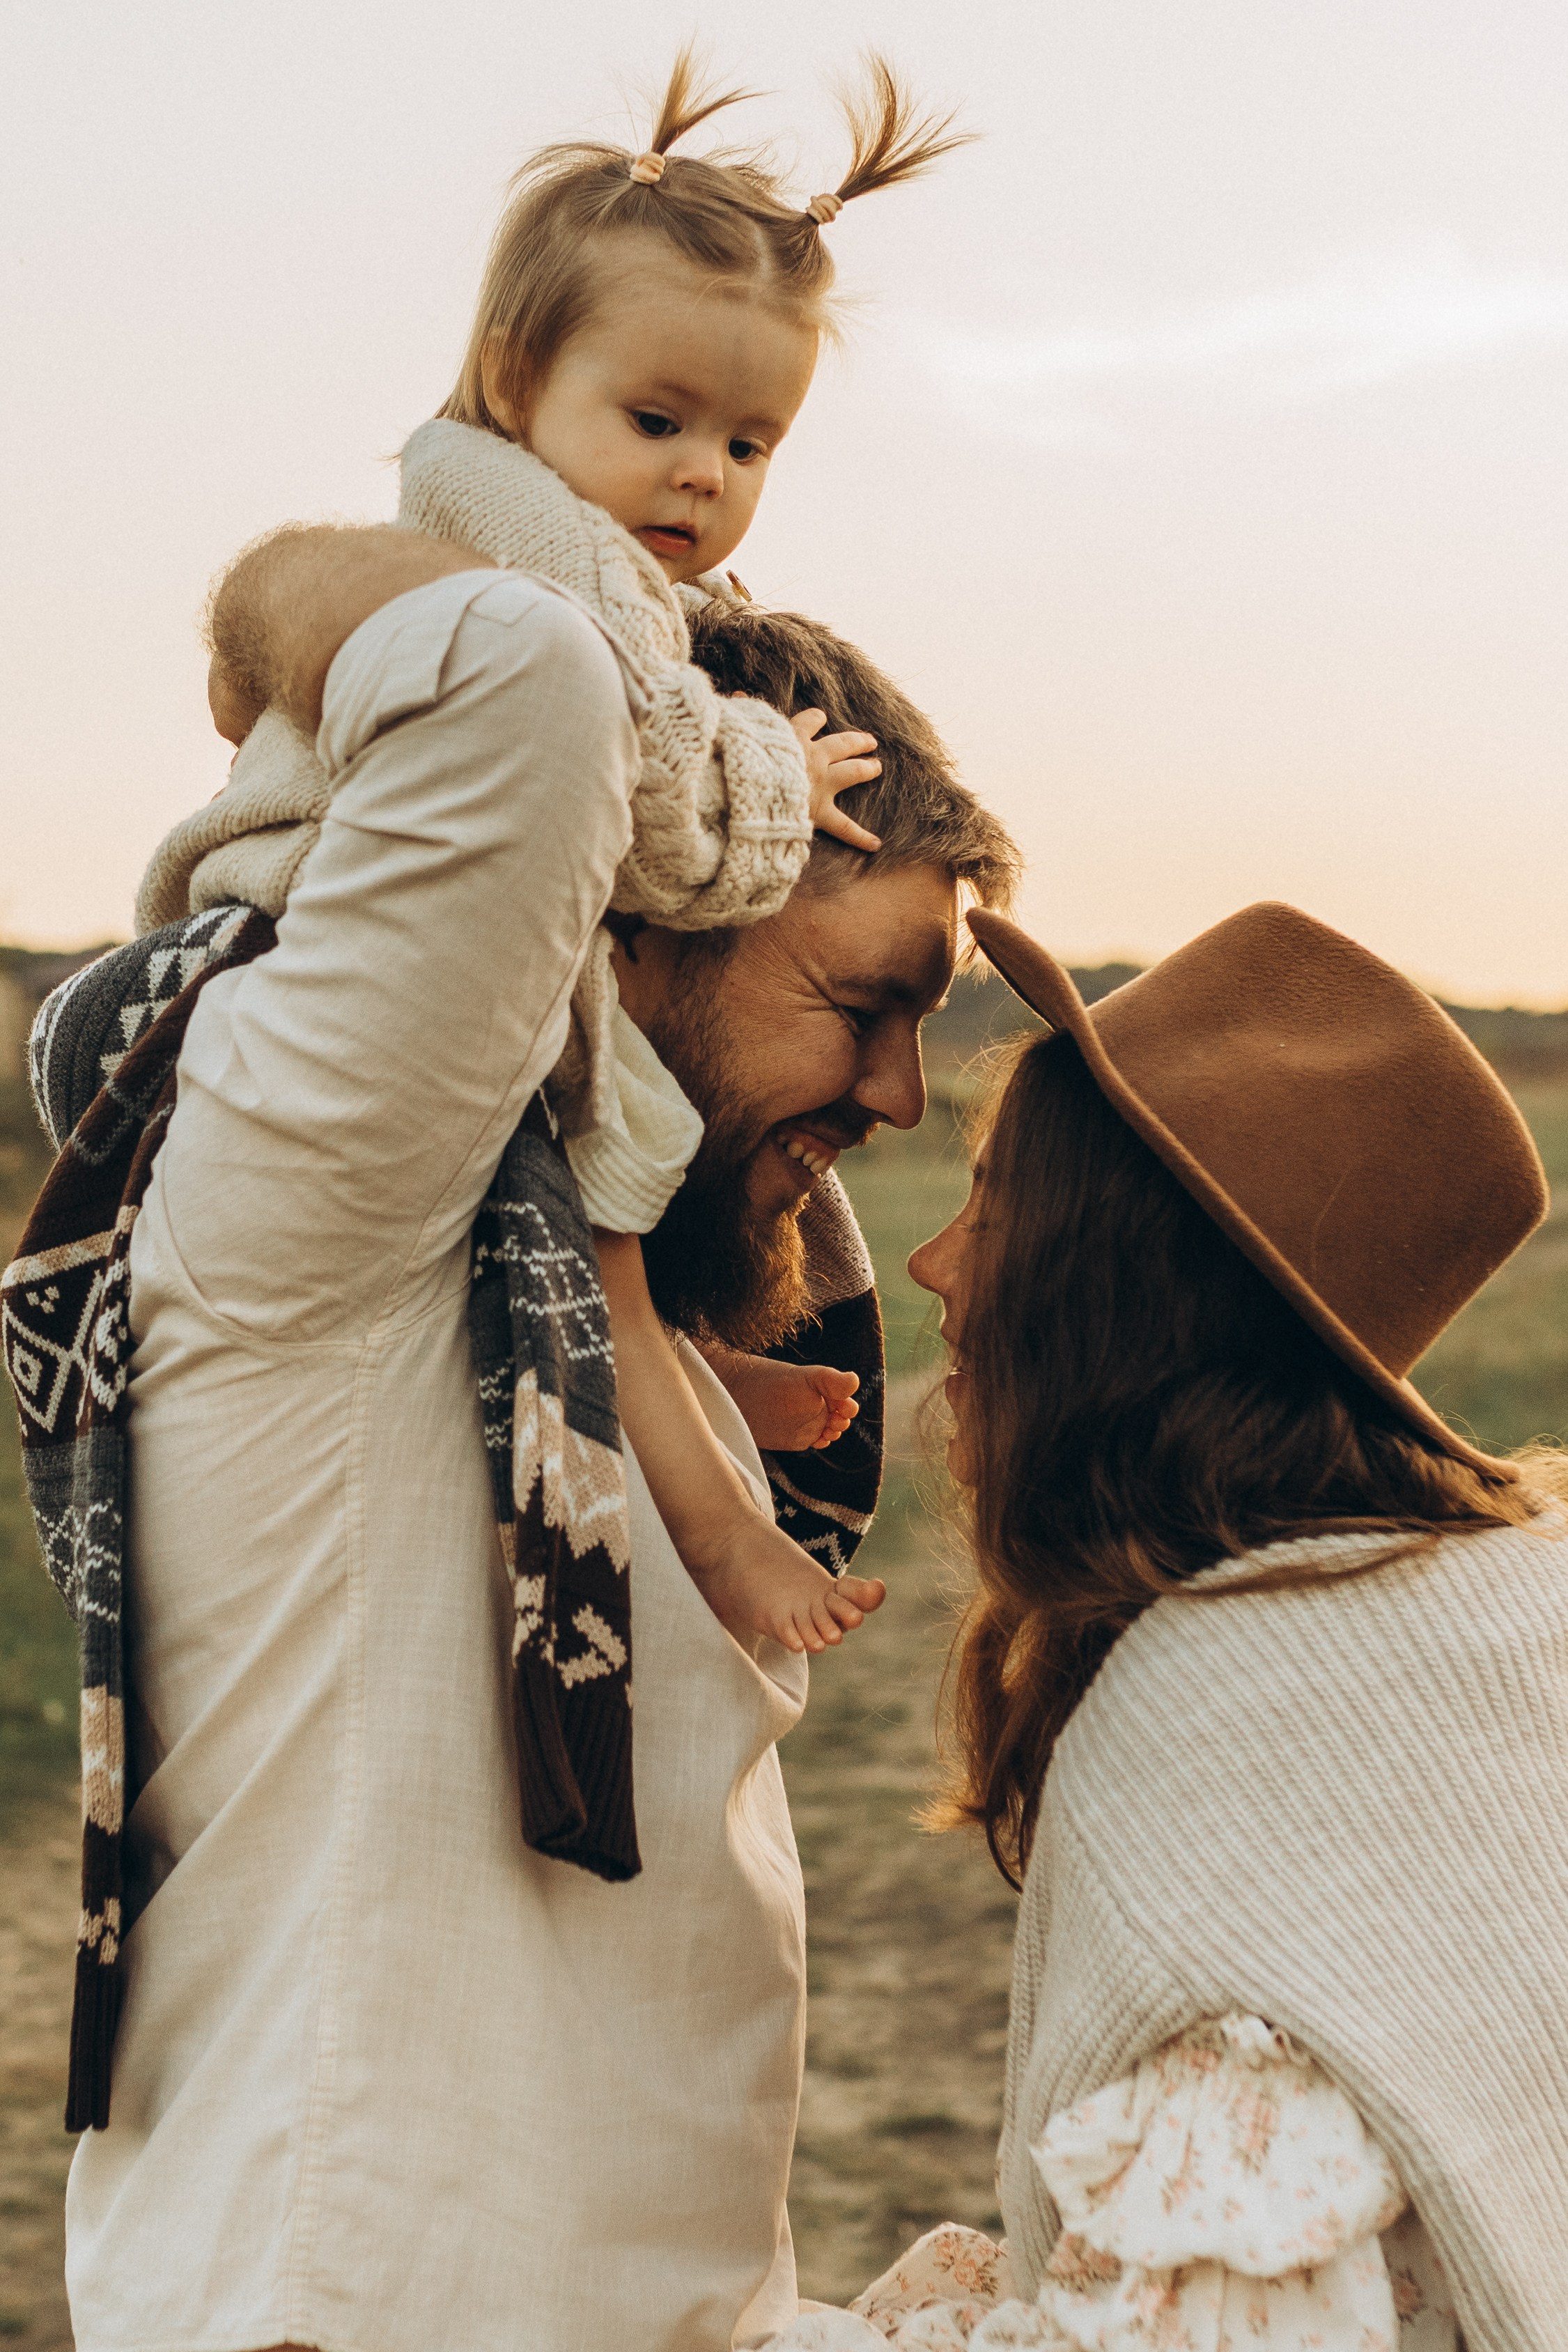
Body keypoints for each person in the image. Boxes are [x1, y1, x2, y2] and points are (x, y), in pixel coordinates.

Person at [6, 518, 1018, 2351]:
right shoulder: (324, 1191)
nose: (897, 1094)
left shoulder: (603, 1294)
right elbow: (505, 669)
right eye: (863, 1008)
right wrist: (262, 636)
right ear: (614, 937)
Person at [134, 46, 969, 1662]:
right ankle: (722, 1525)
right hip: (339, 927)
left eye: (748, 443)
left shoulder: (605, 571)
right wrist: (771, 776)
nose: (702, 475)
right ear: (518, 378)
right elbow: (641, 778)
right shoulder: (530, 580)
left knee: (591, 1198)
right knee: (606, 1167)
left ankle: (678, 1372)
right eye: (660, 419)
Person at [770, 902, 1568, 2351]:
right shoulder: (1490, 1629)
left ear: (1112, 1289)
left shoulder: (1252, 1734)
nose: (936, 1263)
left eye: (995, 1201)